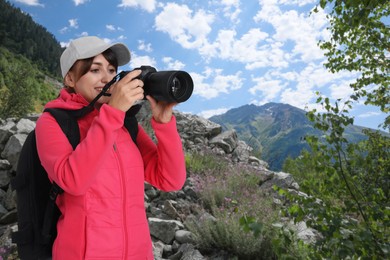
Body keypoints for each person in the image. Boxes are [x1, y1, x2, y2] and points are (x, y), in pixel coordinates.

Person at [35, 36, 186, 259]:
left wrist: (164, 124)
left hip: (138, 252)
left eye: (111, 69)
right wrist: (113, 113)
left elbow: (171, 179)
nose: (106, 78)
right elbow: (73, 181)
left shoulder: (125, 123)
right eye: (95, 70)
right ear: (70, 78)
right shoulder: (53, 122)